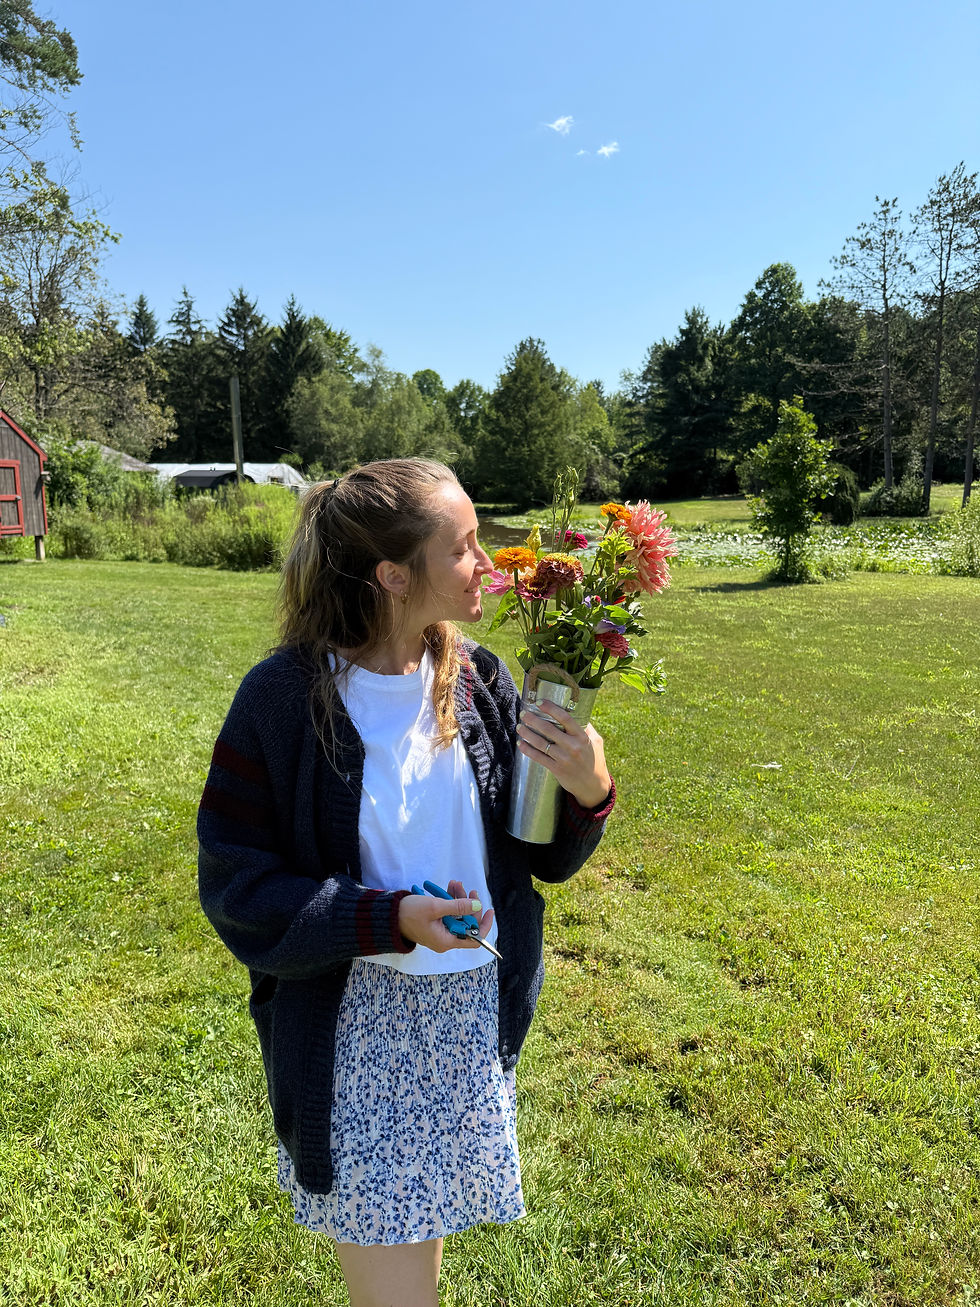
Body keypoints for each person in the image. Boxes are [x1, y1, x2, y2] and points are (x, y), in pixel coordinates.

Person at [197, 458, 615, 1307]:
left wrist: (589, 790)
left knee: (417, 1268)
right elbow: (238, 888)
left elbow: (540, 861)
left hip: (467, 1016)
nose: (490, 566)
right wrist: (389, 918)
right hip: (355, 1033)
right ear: (393, 576)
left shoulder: (481, 680)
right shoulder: (283, 701)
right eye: (463, 549)